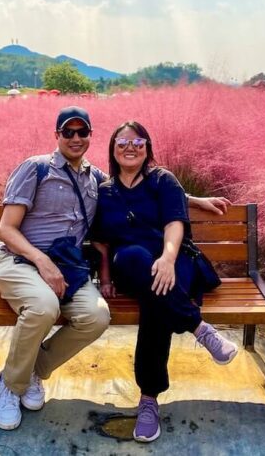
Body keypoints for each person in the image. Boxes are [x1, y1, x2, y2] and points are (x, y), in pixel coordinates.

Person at [0, 107, 230, 431]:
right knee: (45, 306)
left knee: (99, 315)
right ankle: (11, 383)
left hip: (74, 268)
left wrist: (194, 200)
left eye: (82, 132)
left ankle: (33, 369)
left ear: (91, 136)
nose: (75, 138)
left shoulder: (95, 178)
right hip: (22, 260)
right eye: (68, 132)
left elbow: (149, 187)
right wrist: (43, 261)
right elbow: (5, 229)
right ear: (57, 135)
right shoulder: (37, 168)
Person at [91, 121, 238, 443]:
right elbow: (102, 242)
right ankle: (199, 328)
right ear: (112, 149)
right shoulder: (104, 191)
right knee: (133, 258)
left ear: (148, 148)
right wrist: (105, 278)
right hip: (131, 267)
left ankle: (149, 400)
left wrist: (168, 258)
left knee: (156, 300)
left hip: (175, 260)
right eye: (122, 143)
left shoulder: (163, 179)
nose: (130, 148)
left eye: (138, 142)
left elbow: (174, 223)